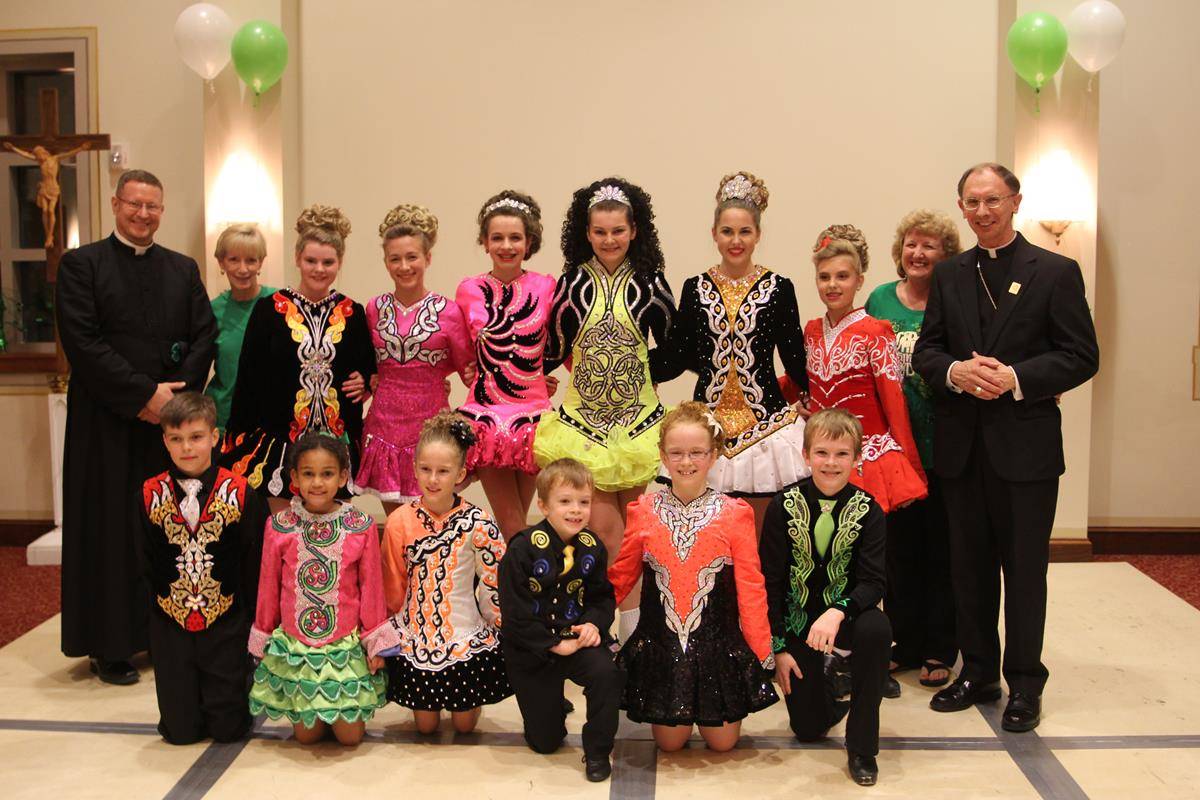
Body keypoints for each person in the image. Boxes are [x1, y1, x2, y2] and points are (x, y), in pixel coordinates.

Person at [913, 163, 1100, 732]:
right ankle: (979, 673)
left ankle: (1024, 683)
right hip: (962, 449)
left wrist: (1015, 377)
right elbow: (928, 351)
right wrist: (955, 373)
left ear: (1015, 202)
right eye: (972, 202)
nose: (982, 211)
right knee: (967, 569)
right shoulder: (950, 274)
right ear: (962, 207)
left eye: (993, 200)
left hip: (1026, 451)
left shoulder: (1056, 271)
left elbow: (1080, 354)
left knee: (1024, 572)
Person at [56, 168, 217, 684]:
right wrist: (144, 394)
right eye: (134, 204)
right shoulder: (82, 266)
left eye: (153, 206)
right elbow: (82, 343)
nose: (143, 214)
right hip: (105, 424)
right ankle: (112, 645)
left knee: (166, 527)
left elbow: (204, 337)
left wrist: (171, 400)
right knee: (110, 529)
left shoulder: (181, 267)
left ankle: (165, 631)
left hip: (167, 430)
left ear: (161, 210)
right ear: (115, 204)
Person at [535, 177, 676, 640]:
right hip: (584, 427)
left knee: (634, 537)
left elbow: (674, 348)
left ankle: (634, 635)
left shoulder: (651, 281)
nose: (609, 240)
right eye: (599, 232)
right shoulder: (572, 282)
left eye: (618, 230)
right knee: (604, 533)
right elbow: (551, 347)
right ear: (586, 232)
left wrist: (641, 374)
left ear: (635, 230)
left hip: (638, 427)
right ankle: (605, 630)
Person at [609, 401, 777, 752]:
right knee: (670, 745)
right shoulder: (643, 511)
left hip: (719, 648)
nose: (686, 462)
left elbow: (751, 587)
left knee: (723, 744)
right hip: (663, 649)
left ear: (714, 455)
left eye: (697, 453)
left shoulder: (735, 513)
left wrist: (762, 652)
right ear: (663, 455)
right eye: (677, 453)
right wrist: (588, 618)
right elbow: (620, 576)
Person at [652, 171, 809, 532]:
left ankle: (761, 591)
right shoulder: (695, 287)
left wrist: (814, 393)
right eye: (727, 232)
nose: (735, 241)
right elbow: (676, 354)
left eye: (744, 232)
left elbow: (793, 355)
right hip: (706, 427)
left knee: (762, 534)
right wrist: (636, 370)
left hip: (767, 426)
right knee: (709, 533)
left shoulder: (779, 287)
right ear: (714, 235)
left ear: (757, 235)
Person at [760, 408, 890, 787]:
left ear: (857, 458)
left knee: (877, 630)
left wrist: (838, 610)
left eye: (841, 454)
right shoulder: (783, 506)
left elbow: (874, 582)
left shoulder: (869, 511)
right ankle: (830, 690)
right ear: (805, 455)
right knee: (808, 728)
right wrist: (779, 648)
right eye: (822, 453)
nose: (830, 463)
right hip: (800, 622)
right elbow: (770, 581)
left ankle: (863, 745)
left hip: (845, 618)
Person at [223, 205, 375, 512]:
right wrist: (236, 439)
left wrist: (366, 383)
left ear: (339, 263)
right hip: (280, 443)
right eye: (311, 261)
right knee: (283, 536)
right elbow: (248, 377)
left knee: (334, 538)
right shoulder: (269, 309)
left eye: (328, 262)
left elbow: (368, 368)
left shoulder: (353, 312)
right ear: (297, 259)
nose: (319, 269)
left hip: (334, 443)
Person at [865, 210, 962, 690]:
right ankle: (902, 641)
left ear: (946, 256)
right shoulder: (881, 298)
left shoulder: (954, 300)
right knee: (897, 552)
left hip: (942, 445)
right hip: (891, 449)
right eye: (911, 244)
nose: (918, 253)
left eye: (930, 246)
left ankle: (940, 644)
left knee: (940, 548)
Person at [139, 392, 267, 744]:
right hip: (170, 624)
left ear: (214, 436)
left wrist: (255, 624)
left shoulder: (242, 493)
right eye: (176, 439)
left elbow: (254, 562)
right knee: (179, 734)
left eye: (196, 437)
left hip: (225, 623)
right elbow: (144, 560)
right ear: (165, 440)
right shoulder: (149, 494)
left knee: (229, 730)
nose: (187, 448)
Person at [247, 433, 389, 746]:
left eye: (327, 474)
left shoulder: (360, 525)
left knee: (349, 737)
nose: (317, 483)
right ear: (295, 477)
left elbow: (372, 589)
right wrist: (263, 638)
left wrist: (374, 644)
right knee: (307, 738)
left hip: (344, 646)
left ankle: (343, 710)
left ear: (342, 477)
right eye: (308, 474)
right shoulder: (279, 525)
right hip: (298, 648)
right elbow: (268, 587)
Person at [376, 411, 511, 734]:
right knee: (425, 727)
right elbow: (391, 581)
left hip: (464, 633)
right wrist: (389, 632)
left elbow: (494, 580)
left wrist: (499, 623)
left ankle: (468, 708)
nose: (433, 479)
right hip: (416, 635)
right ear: (414, 469)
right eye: (425, 469)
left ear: (461, 473)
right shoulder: (399, 522)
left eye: (443, 471)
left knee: (464, 726)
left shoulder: (479, 521)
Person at [780, 224, 927, 515]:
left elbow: (894, 403)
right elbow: (799, 382)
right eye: (824, 277)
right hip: (821, 454)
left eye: (842, 276)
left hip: (867, 458)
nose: (832, 285)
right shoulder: (811, 331)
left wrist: (909, 466)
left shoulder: (876, 331)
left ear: (859, 281)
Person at [498, 459, 624, 783]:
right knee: (545, 743)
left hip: (575, 635)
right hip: (533, 646)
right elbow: (515, 614)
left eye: (584, 502)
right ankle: (550, 703)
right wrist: (553, 644)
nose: (575, 510)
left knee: (607, 673)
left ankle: (597, 751)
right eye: (565, 501)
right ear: (543, 505)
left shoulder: (591, 547)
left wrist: (594, 624)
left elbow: (602, 597)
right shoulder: (522, 549)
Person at [352, 204, 472, 514]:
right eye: (395, 259)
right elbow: (368, 367)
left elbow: (470, 371)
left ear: (428, 258)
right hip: (385, 429)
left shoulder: (448, 311)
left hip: (431, 430)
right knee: (397, 525)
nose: (404, 266)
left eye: (412, 257)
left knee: (436, 519)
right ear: (386, 262)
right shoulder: (373, 309)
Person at [455, 191, 556, 538]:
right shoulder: (469, 289)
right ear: (484, 241)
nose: (506, 245)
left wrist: (549, 373)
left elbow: (561, 341)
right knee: (512, 522)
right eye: (497, 237)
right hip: (487, 416)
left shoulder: (546, 286)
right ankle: (528, 590)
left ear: (529, 242)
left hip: (533, 417)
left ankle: (511, 588)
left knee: (517, 522)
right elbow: (460, 346)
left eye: (515, 237)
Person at [205, 223, 277, 430]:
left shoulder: (280, 303)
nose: (243, 269)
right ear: (221, 262)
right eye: (234, 260)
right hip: (224, 421)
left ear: (261, 262)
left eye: (251, 260)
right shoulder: (212, 311)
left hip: (270, 419)